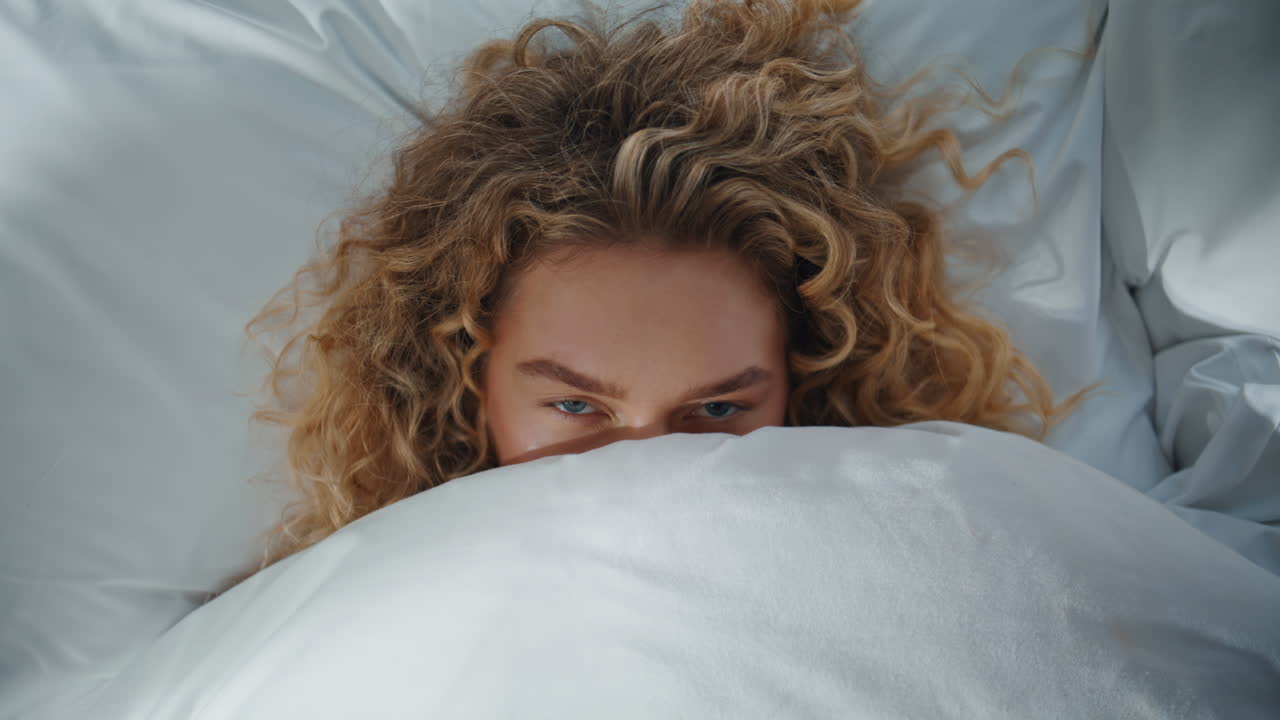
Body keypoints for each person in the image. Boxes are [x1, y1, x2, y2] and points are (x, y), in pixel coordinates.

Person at [229, 0, 1087, 590]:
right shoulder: (340, 617)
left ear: (798, 383)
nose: (642, 476)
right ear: (470, 370)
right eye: (574, 405)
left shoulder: (941, 562)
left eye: (715, 410)